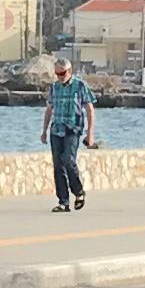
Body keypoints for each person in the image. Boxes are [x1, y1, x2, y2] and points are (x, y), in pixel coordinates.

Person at [43, 55, 98, 213]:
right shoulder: (55, 87)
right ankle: (63, 202)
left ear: (70, 71)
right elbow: (49, 109)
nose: (60, 77)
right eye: (57, 74)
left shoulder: (80, 86)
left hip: (72, 129)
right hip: (56, 129)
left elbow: (89, 109)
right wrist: (44, 131)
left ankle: (79, 192)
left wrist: (90, 133)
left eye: (62, 73)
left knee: (68, 160)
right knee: (58, 166)